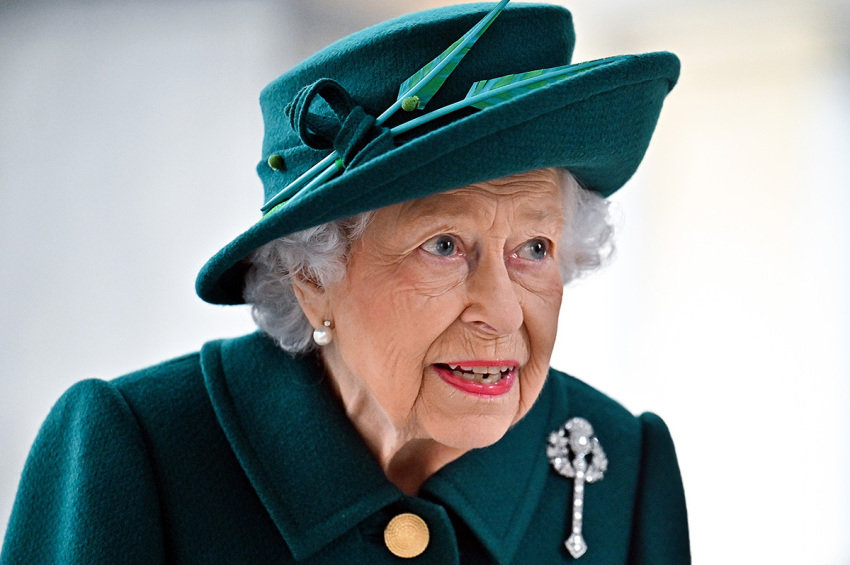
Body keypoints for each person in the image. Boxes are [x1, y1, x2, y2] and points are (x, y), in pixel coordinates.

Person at [1, 2, 689, 563]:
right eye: (444, 245)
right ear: (310, 276)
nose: (504, 315)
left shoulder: (618, 464)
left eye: (534, 247)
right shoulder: (135, 455)